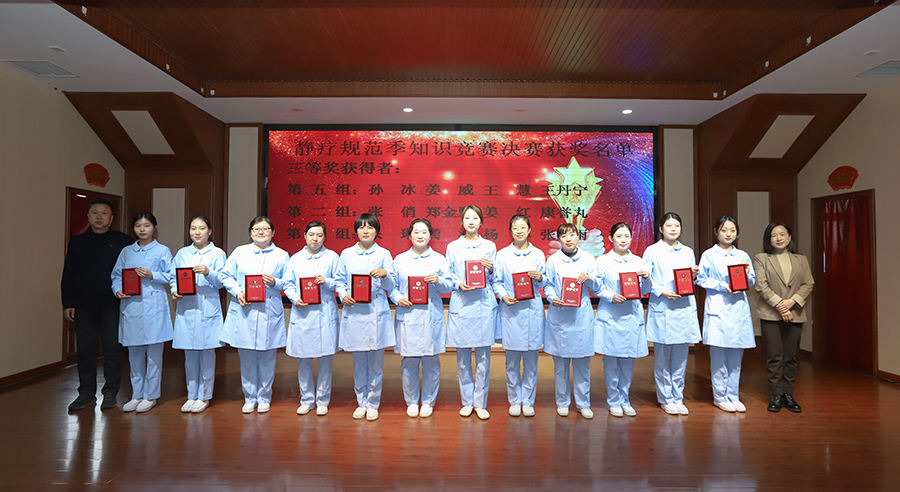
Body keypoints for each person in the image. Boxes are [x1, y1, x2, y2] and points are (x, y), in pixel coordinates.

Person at [62, 198, 134, 411]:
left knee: (112, 349)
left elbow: (131, 273)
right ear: (88, 216)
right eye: (95, 213)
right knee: (85, 350)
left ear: (112, 218)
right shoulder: (77, 242)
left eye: (104, 213)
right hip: (83, 305)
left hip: (113, 305)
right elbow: (68, 275)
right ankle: (86, 393)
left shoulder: (124, 241)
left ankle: (110, 392)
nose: (99, 217)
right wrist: (68, 303)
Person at [219, 216, 289, 414]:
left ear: (273, 233)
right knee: (247, 356)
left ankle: (265, 397)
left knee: (267, 357)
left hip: (269, 310)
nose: (260, 232)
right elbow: (225, 275)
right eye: (256, 229)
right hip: (245, 309)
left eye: (265, 229)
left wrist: (275, 282)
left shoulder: (282, 255)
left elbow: (289, 281)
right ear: (250, 232)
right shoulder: (240, 252)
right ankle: (250, 397)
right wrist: (237, 291)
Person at [389, 218, 454, 418]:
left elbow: (449, 286)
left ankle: (427, 402)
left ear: (430, 235)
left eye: (424, 232)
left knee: (431, 361)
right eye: (416, 232)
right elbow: (391, 286)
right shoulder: (399, 260)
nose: (420, 235)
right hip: (408, 315)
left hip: (430, 316)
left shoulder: (439, 259)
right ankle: (411, 402)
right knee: (409, 361)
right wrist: (398, 299)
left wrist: (439, 280)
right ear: (409, 235)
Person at [334, 213, 396, 421]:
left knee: (376, 363)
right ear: (356, 231)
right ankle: (361, 401)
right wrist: (343, 294)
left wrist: (385, 274)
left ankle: (373, 403)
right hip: (355, 310)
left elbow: (392, 285)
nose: (366, 231)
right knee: (359, 361)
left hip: (376, 310)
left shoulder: (384, 253)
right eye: (361, 227)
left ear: (376, 231)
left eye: (370, 227)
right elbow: (339, 280)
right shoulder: (346, 254)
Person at [111, 212, 174, 413]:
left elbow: (172, 276)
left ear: (154, 228)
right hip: (131, 306)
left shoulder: (162, 251)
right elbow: (116, 275)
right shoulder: (126, 251)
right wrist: (117, 290)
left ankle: (151, 395)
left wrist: (152, 274)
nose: (142, 229)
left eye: (146, 225)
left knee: (154, 355)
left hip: (153, 306)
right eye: (138, 225)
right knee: (134, 355)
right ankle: (136, 394)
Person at [642, 212, 701, 416]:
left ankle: (678, 397)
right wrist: (662, 291)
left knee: (681, 358)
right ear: (661, 229)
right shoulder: (652, 251)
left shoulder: (687, 251)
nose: (673, 229)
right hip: (663, 306)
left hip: (683, 307)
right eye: (669, 225)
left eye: (677, 225)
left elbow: (689, 281)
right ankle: (665, 398)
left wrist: (694, 276)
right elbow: (646, 280)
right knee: (662, 358)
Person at [697, 215, 756, 413]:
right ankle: (720, 396)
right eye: (724, 230)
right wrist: (722, 285)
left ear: (737, 233)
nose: (728, 234)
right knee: (719, 356)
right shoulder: (709, 255)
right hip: (719, 308)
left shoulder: (743, 256)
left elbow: (752, 281)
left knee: (736, 356)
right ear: (716, 232)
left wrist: (747, 274)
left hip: (738, 309)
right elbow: (701, 279)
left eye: (732, 230)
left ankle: (733, 395)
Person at [753, 222, 814, 413]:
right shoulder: (762, 258)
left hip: (795, 313)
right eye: (774, 235)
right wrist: (780, 305)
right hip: (770, 314)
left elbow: (808, 283)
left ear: (789, 237)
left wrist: (792, 302)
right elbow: (761, 285)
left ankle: (789, 395)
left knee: (791, 357)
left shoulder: (800, 259)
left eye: (782, 234)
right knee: (774, 357)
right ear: (768, 239)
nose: (778, 238)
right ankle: (776, 395)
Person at [283, 221, 341, 417]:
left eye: (319, 235)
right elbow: (288, 284)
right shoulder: (295, 258)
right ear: (305, 236)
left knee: (325, 360)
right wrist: (294, 298)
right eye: (311, 234)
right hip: (303, 312)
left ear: (324, 237)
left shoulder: (332, 257)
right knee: (304, 360)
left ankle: (323, 400)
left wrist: (327, 281)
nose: (315, 239)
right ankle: (307, 399)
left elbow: (340, 282)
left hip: (324, 312)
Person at [445, 205, 498, 420]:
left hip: (483, 303)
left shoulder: (490, 246)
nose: (471, 221)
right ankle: (467, 401)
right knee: (463, 358)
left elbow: (494, 277)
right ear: (462, 222)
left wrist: (491, 268)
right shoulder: (452, 247)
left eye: (475, 218)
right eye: (467, 218)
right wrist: (458, 283)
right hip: (462, 302)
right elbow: (448, 274)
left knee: (484, 357)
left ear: (481, 222)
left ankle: (480, 402)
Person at [170, 215, 226, 414]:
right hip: (187, 306)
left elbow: (222, 281)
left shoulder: (217, 253)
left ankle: (204, 396)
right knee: (190, 355)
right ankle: (191, 395)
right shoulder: (182, 253)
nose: (197, 232)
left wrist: (209, 272)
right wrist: (175, 290)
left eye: (202, 228)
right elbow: (173, 277)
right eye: (193, 228)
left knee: (207, 355)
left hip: (207, 307)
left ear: (209, 231)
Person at [594, 222, 650, 418]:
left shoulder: (639, 261)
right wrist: (610, 296)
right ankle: (613, 400)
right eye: (619, 236)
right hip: (611, 315)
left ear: (631, 238)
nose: (623, 240)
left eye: (627, 236)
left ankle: (625, 399)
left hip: (631, 315)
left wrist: (647, 278)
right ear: (611, 239)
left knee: (628, 361)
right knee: (611, 361)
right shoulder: (602, 261)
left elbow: (645, 290)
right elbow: (597, 287)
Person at [492, 214, 546, 417]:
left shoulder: (538, 254)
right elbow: (496, 281)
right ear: (511, 231)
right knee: (512, 361)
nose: (519, 231)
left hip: (532, 309)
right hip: (511, 310)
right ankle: (514, 400)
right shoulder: (502, 255)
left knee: (531, 360)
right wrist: (503, 296)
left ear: (529, 230)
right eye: (515, 227)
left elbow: (545, 282)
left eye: (523, 227)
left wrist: (540, 277)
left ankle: (528, 401)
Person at [543, 223, 598, 419]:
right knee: (560, 365)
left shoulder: (588, 258)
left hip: (581, 316)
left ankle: (583, 403)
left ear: (578, 237)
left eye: (572, 234)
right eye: (564, 235)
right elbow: (548, 285)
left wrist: (589, 278)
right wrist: (552, 298)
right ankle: (562, 402)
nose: (568, 238)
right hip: (560, 314)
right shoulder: (552, 260)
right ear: (558, 239)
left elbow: (597, 285)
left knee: (582, 364)